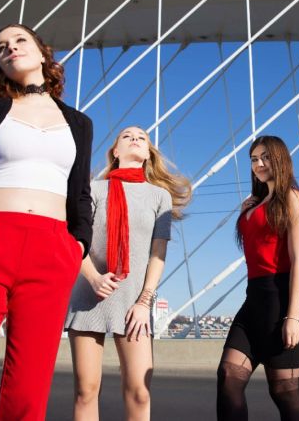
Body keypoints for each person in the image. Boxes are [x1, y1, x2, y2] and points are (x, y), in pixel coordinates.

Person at [0, 23, 93, 420]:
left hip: (53, 249)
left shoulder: (79, 123)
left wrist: (77, 245)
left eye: (20, 40)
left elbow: (80, 192)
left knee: (30, 380)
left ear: (41, 51)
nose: (10, 48)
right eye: (1, 47)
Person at [65, 126, 191, 421]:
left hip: (134, 302)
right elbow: (74, 239)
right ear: (115, 151)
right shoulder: (94, 189)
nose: (135, 138)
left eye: (142, 137)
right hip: (88, 294)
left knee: (139, 392)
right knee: (86, 391)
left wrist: (144, 302)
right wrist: (93, 277)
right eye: (127, 136)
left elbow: (158, 253)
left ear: (148, 153)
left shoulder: (159, 196)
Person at [217, 135, 299, 421]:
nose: (259, 163)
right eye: (254, 159)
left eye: (266, 157)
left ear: (280, 160)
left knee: (284, 390)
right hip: (254, 299)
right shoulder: (253, 204)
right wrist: (248, 211)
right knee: (229, 375)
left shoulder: (291, 198)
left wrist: (293, 317)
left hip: (281, 297)